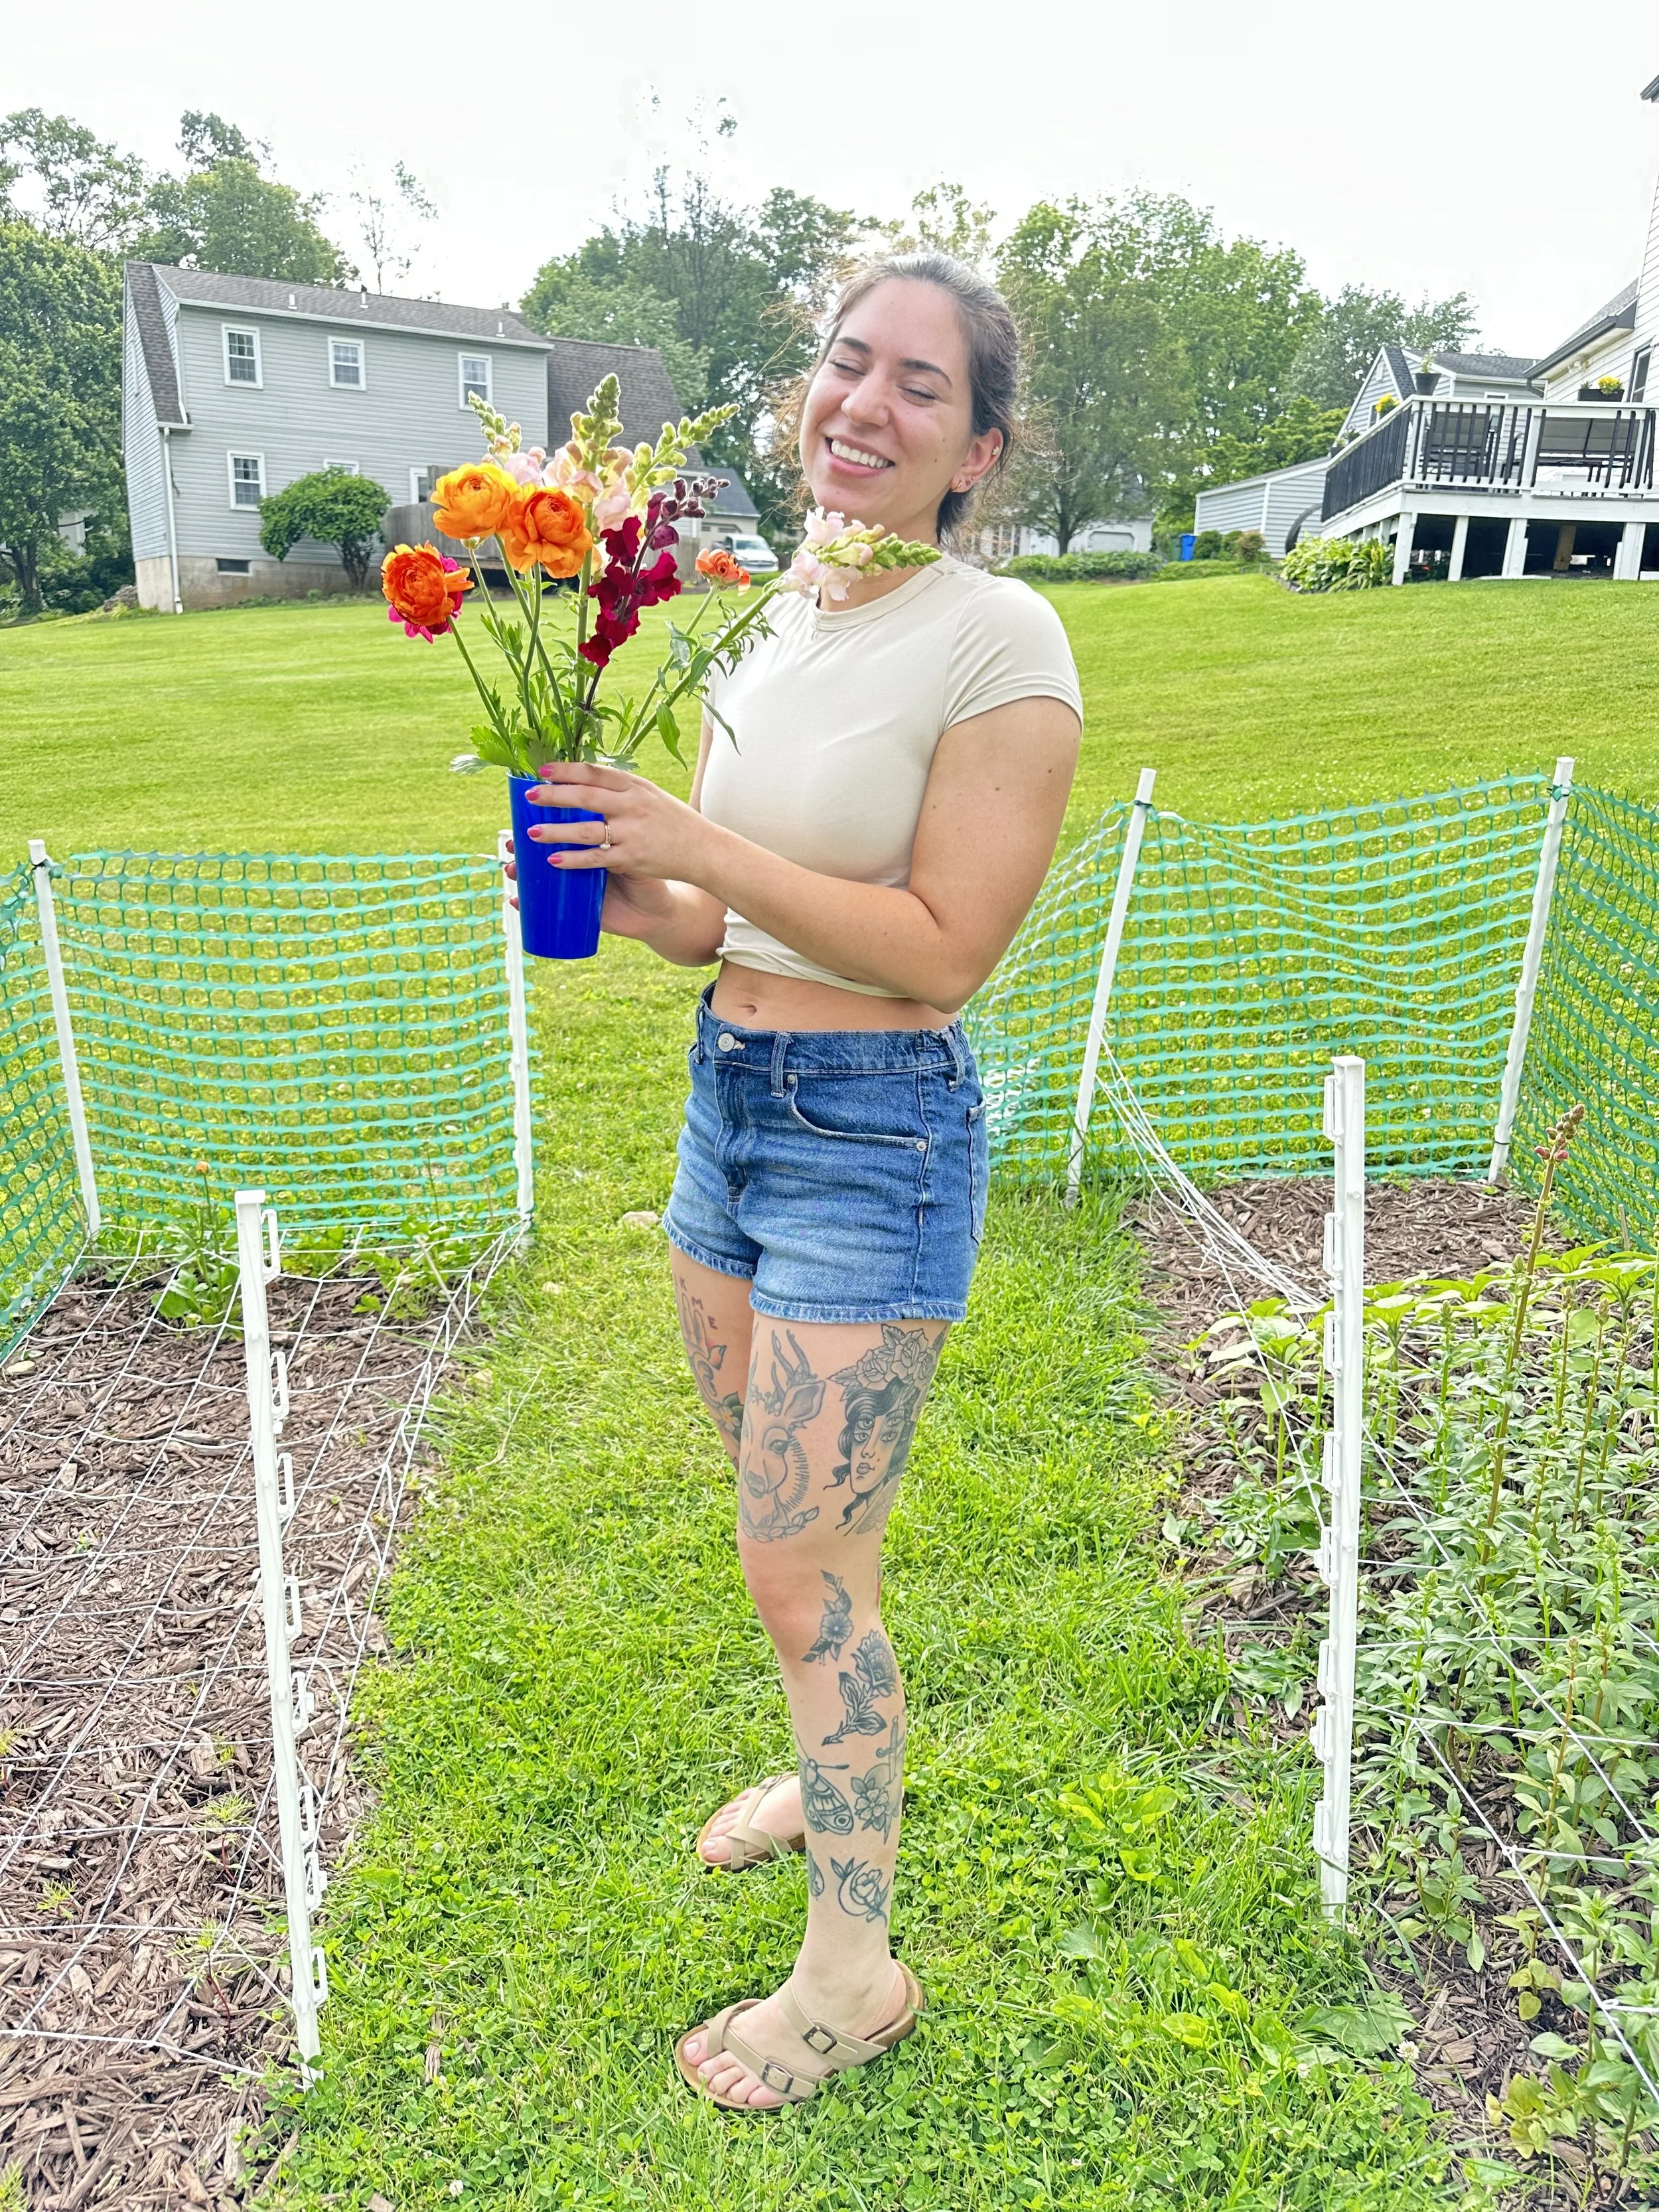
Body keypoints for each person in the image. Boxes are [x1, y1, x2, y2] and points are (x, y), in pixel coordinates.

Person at [512, 252, 1082, 2110]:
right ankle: (816, 1768)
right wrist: (612, 860)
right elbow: (706, 918)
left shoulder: (1000, 642)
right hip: (730, 1099)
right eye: (845, 365)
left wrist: (691, 840)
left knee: (800, 1556)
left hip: (871, 1122)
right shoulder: (764, 620)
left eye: (919, 386)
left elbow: (937, 950)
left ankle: (855, 1967)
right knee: (792, 1530)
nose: (864, 403)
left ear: (975, 447)